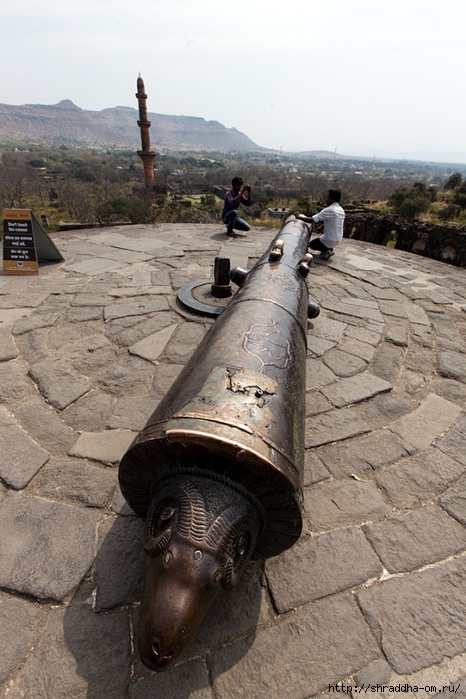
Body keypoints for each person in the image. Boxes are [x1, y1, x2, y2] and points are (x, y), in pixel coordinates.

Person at [294, 189, 345, 260]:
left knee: (312, 245)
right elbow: (334, 222)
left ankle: (327, 250)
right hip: (338, 239)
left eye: (327, 198)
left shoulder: (329, 210)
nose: (326, 200)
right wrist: (321, 227)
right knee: (323, 241)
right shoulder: (340, 210)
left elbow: (312, 220)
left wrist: (298, 216)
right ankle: (328, 248)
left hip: (329, 240)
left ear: (332, 199)